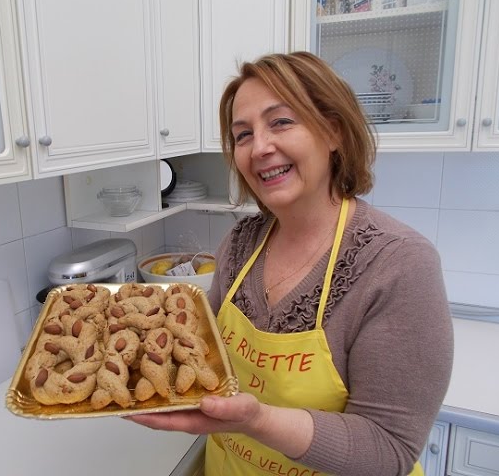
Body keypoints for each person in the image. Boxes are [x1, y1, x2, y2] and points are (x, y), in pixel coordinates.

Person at [128, 51, 453, 476]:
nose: (259, 148)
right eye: (242, 135)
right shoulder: (241, 244)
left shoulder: (399, 266)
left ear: (333, 131)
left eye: (281, 122)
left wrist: (257, 420)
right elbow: (202, 350)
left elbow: (387, 449)